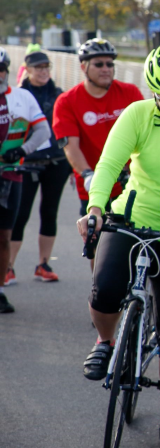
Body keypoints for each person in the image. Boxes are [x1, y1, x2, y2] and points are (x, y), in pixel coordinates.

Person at [77, 42, 160, 448]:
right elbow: (109, 163)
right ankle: (106, 342)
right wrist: (96, 207)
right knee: (105, 289)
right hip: (130, 220)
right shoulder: (137, 114)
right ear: (154, 94)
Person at [52, 38, 143, 218]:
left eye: (110, 64)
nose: (105, 69)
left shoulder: (130, 92)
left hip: (131, 185)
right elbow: (70, 146)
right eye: (98, 64)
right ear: (83, 67)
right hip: (93, 185)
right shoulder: (67, 101)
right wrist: (87, 174)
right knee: (95, 241)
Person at [9, 50, 73, 283]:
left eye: (46, 67)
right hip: (25, 162)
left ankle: (43, 264)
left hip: (56, 161)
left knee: (49, 212)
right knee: (19, 214)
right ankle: (8, 266)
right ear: (27, 70)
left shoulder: (59, 95)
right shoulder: (18, 95)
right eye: (38, 68)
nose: (43, 71)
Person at [0, 48, 52, 312]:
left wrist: (22, 150)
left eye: (1, 70)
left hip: (10, 175)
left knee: (4, 236)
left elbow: (43, 130)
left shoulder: (21, 96)